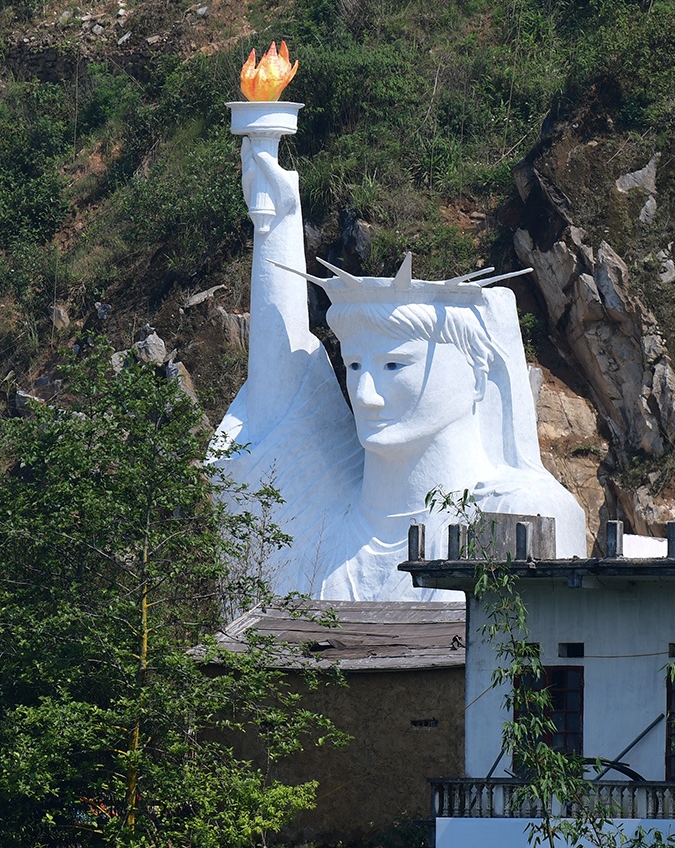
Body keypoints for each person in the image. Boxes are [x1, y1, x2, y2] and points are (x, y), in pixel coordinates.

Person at [217, 131, 584, 600]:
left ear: (476, 375)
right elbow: (278, 398)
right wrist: (275, 222)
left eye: (394, 366)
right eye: (354, 366)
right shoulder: (322, 531)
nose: (365, 394)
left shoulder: (516, 513)